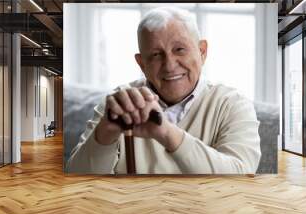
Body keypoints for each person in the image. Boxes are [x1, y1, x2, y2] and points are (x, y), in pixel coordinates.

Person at [66, 6, 261, 174]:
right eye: (156, 54)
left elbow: (241, 177)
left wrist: (167, 133)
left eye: (179, 49)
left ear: (202, 52)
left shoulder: (233, 104)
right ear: (142, 64)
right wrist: (105, 134)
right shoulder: (120, 102)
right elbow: (77, 178)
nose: (169, 65)